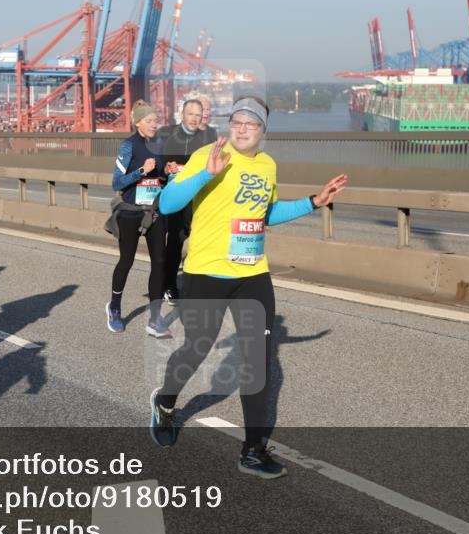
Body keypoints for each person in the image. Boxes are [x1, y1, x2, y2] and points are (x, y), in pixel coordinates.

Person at [149, 97, 347, 479]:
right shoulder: (210, 153)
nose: (242, 128)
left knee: (258, 361)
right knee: (197, 347)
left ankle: (253, 450)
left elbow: (266, 212)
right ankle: (166, 401)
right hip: (206, 272)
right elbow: (168, 202)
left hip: (252, 274)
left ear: (263, 131)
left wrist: (313, 202)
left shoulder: (268, 165)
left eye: (251, 124)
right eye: (236, 121)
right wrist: (205, 174)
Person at [105, 100, 170, 338]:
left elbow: (161, 176)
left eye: (156, 120)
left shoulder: (160, 144)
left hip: (154, 211)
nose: (154, 124)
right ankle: (114, 307)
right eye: (149, 121)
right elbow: (116, 182)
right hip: (131, 211)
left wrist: (168, 171)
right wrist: (141, 171)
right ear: (138, 123)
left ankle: (154, 317)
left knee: (159, 263)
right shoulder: (128, 146)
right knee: (127, 261)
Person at [156, 98, 208, 305]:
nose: (194, 119)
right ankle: (169, 285)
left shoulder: (206, 141)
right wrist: (164, 170)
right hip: (175, 197)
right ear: (182, 115)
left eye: (198, 115)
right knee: (175, 242)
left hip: (197, 199)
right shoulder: (168, 137)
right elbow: (157, 167)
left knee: (200, 242)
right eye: (191, 114)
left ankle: (197, 284)